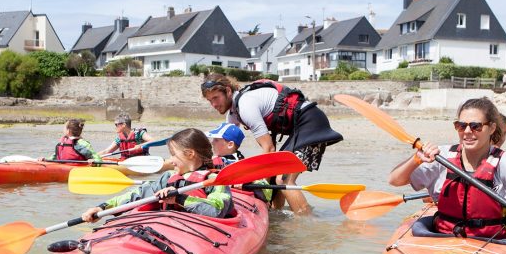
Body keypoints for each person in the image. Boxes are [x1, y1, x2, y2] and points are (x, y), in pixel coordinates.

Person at [388, 97, 506, 238]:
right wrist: (416, 159)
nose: (467, 132)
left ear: (491, 128)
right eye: (461, 125)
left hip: (490, 240)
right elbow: (394, 180)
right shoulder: (441, 156)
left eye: (475, 126)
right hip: (443, 237)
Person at [200, 75, 343, 214]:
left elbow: (269, 148)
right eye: (209, 100)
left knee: (283, 179)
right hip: (300, 128)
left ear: (228, 91)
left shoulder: (245, 106)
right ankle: (275, 215)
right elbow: (226, 146)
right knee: (275, 178)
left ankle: (307, 222)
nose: (213, 104)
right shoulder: (233, 113)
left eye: (216, 98)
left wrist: (262, 186)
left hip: (311, 124)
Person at [82, 128, 233, 222]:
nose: (170, 160)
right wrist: (103, 208)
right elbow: (137, 195)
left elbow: (216, 211)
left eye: (173, 154)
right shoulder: (168, 178)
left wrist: (179, 198)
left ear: (190, 154)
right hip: (166, 228)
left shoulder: (214, 181)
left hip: (199, 233)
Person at [205, 122, 273, 204]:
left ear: (230, 144)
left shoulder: (240, 164)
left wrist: (247, 181)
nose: (212, 143)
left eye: (216, 140)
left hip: (237, 199)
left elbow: (267, 193)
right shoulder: (214, 160)